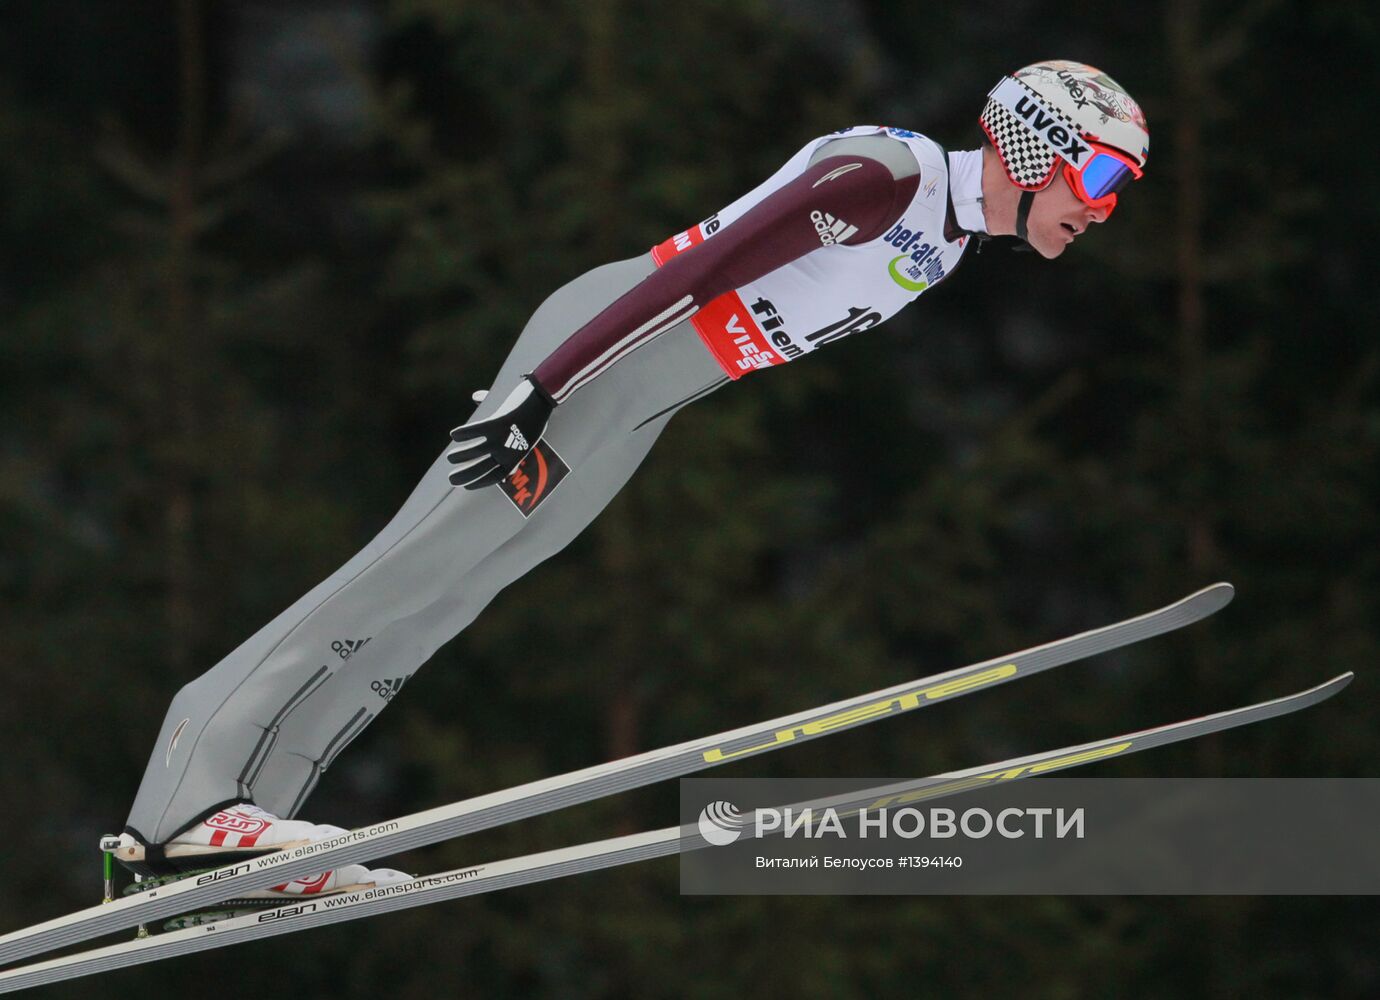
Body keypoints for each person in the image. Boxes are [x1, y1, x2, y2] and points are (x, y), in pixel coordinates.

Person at [107, 60, 1150, 894]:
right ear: (1034, 148)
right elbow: (700, 268)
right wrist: (542, 389)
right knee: (407, 567)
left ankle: (260, 834)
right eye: (1099, 180)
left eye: (1120, 194)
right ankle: (181, 801)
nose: (1100, 211)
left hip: (645, 400)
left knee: (449, 598)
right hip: (599, 357)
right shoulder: (890, 178)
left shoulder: (947, 242)